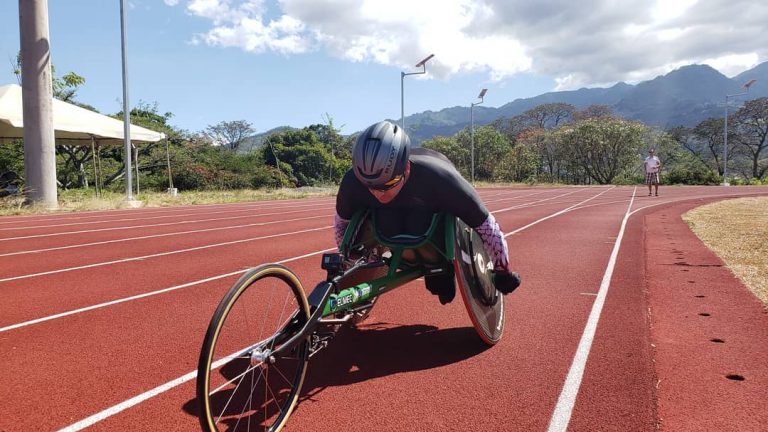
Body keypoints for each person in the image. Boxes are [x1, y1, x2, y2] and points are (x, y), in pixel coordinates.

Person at [334, 120, 521, 304]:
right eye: (369, 186)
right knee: (387, 222)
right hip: (387, 219)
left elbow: (487, 227)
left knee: (421, 229)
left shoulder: (442, 180)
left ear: (406, 169)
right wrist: (348, 261)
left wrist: (502, 271)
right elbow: (341, 225)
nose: (377, 193)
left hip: (431, 215)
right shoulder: (352, 182)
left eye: (388, 185)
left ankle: (438, 268)